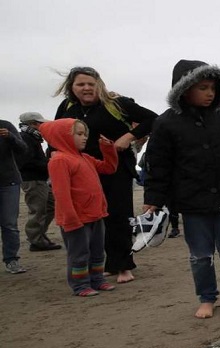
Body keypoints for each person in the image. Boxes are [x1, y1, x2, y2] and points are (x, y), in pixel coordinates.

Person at [142, 59, 220, 321]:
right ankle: (207, 298)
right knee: (200, 256)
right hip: (191, 202)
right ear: (183, 89)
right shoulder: (166, 123)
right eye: (203, 87)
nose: (210, 93)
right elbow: (158, 165)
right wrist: (154, 198)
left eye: (213, 88)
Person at [54, 66, 158, 284]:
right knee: (93, 217)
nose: (87, 88)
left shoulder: (115, 103)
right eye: (81, 84)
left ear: (99, 85)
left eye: (91, 84)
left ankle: (123, 266)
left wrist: (128, 137)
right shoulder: (67, 107)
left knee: (118, 215)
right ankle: (105, 264)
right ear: (72, 88)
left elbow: (153, 118)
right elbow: (57, 133)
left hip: (116, 166)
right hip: (83, 169)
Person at [39, 118, 118, 296]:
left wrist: (107, 148)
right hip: (75, 219)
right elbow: (61, 193)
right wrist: (71, 219)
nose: (84, 138)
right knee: (79, 254)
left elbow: (109, 168)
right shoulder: (59, 160)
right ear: (63, 136)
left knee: (98, 252)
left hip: (95, 214)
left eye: (85, 134)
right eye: (79, 134)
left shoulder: (84, 158)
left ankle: (97, 280)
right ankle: (80, 285)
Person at [16, 112, 60, 251]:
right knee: (38, 209)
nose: (41, 125)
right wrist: (48, 163)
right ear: (32, 124)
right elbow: (26, 161)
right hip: (33, 179)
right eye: (38, 123)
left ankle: (39, 236)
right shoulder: (25, 138)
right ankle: (36, 240)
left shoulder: (31, 137)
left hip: (39, 178)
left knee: (49, 206)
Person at [0, 119, 28, 274]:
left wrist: (10, 137)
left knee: (9, 224)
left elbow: (23, 149)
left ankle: (11, 260)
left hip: (8, 182)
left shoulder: (5, 126)